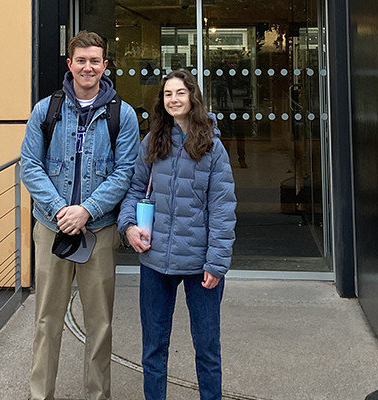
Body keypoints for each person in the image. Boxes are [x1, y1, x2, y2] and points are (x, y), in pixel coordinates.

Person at [20, 30, 140, 400]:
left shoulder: (123, 114)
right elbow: (29, 164)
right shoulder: (46, 110)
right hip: (50, 227)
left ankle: (98, 395)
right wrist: (60, 210)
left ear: (105, 66)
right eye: (81, 61)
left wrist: (87, 209)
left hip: (99, 231)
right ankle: (41, 394)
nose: (88, 67)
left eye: (95, 61)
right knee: (46, 320)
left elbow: (125, 172)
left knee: (100, 323)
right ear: (70, 64)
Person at [117, 69, 236, 400]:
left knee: (207, 348)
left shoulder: (212, 147)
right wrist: (129, 227)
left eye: (179, 93)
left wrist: (217, 262)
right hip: (155, 261)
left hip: (201, 264)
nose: (173, 99)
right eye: (168, 94)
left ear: (192, 97)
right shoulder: (153, 140)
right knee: (154, 347)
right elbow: (134, 189)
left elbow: (223, 209)